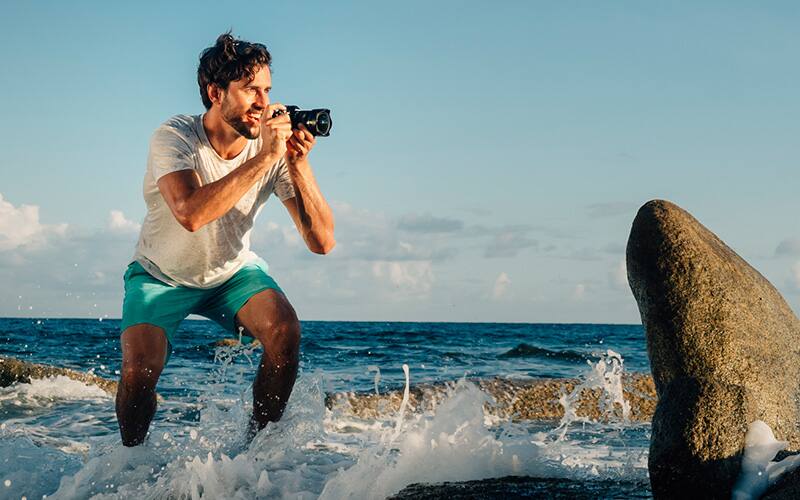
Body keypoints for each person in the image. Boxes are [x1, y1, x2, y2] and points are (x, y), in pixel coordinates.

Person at [116, 33, 335, 447]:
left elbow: (321, 241)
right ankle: (131, 461)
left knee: (284, 330)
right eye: (251, 89)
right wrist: (268, 157)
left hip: (231, 274)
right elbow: (191, 213)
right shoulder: (175, 136)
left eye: (267, 90)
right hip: (161, 274)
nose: (263, 102)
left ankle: (256, 452)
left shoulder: (271, 150)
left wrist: (297, 164)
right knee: (138, 371)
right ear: (216, 93)